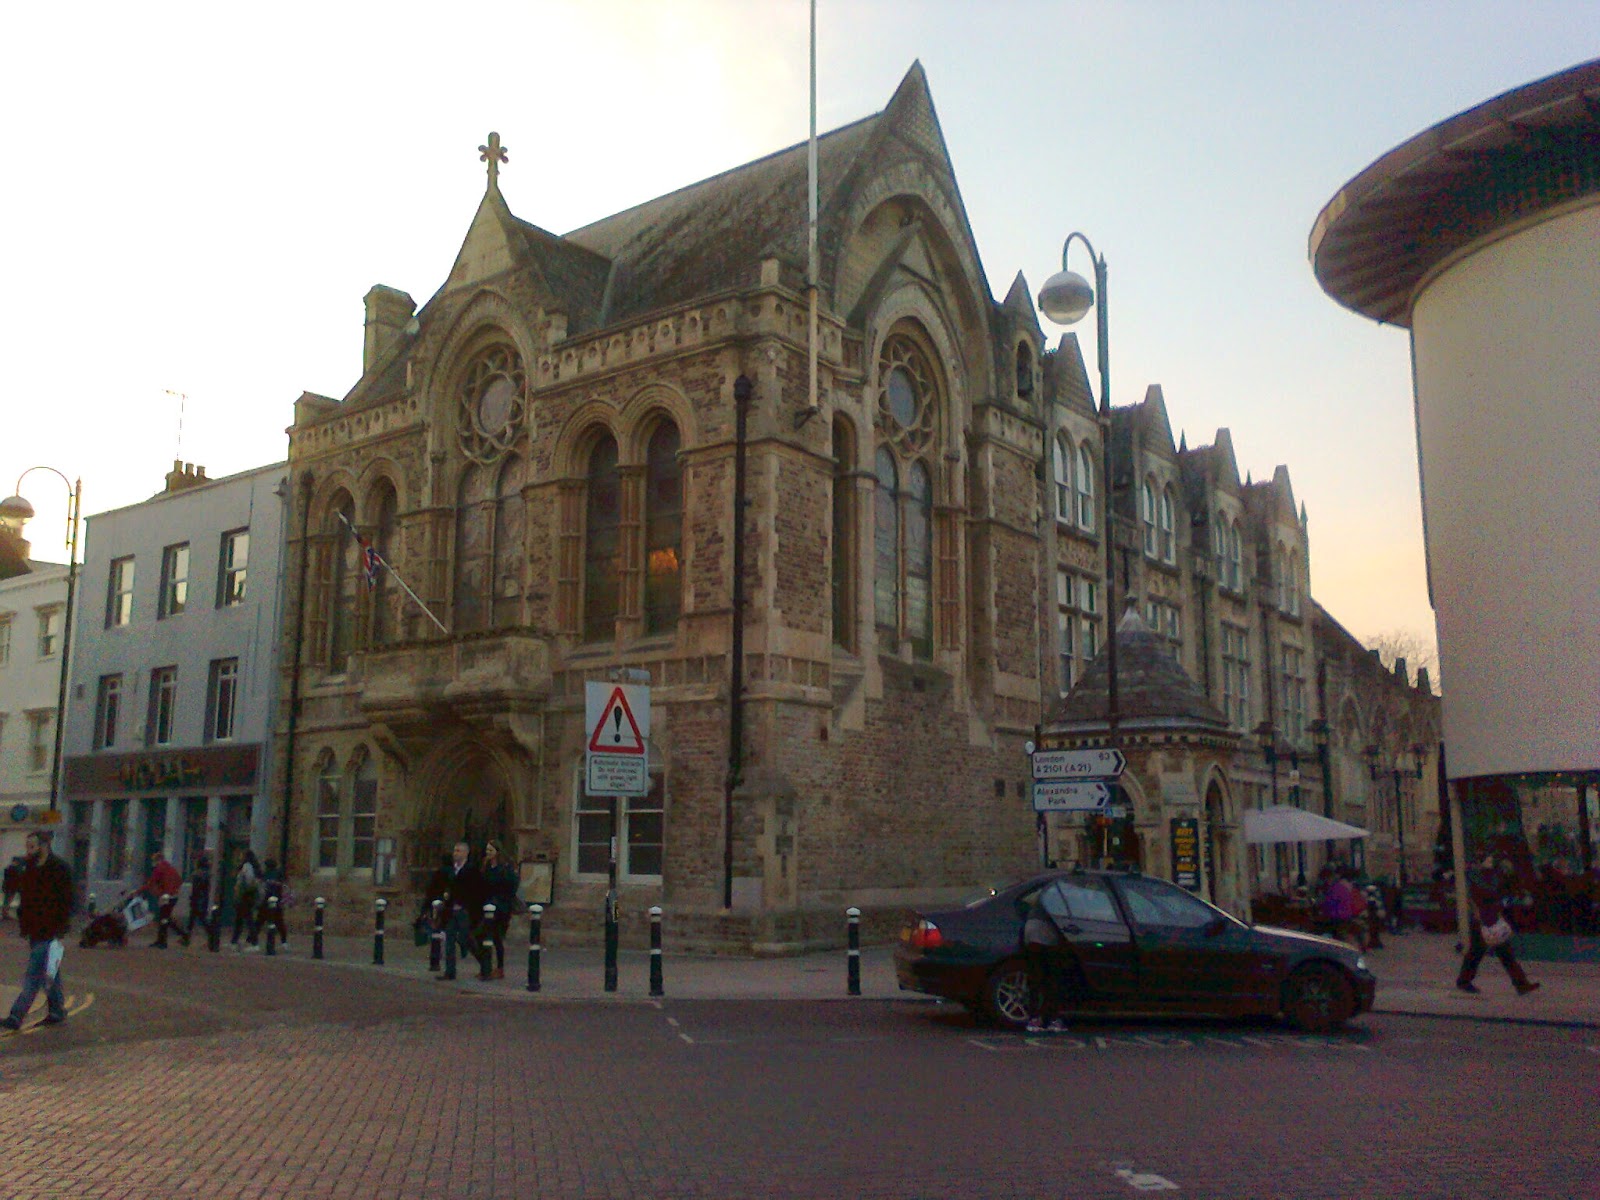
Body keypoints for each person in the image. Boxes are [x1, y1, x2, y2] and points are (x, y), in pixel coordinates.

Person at [2, 830, 74, 1031]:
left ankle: (16, 1015)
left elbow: (67, 900)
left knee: (34, 974)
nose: (28, 850)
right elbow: (18, 891)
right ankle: (57, 1010)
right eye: (27, 847)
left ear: (44, 846)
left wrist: (60, 927)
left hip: (49, 929)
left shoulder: (59, 868)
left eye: (32, 846)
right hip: (33, 927)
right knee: (50, 972)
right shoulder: (30, 868)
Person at [1457, 856, 1540, 996]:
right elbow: (1484, 897)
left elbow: (1497, 894)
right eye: (1487, 861)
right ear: (1480, 862)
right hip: (1482, 920)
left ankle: (1521, 984)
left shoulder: (1493, 876)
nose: (1490, 863)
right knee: (1478, 952)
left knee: (1503, 953)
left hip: (1492, 918)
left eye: (1491, 861)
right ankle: (1464, 981)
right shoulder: (1476, 877)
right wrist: (1501, 903)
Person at [438, 840, 488, 982]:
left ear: (466, 853)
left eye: (458, 851)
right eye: (455, 851)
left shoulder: (471, 870)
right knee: (449, 940)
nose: (455, 854)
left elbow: (476, 891)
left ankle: (485, 965)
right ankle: (450, 971)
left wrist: (468, 906)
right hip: (451, 910)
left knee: (466, 939)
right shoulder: (452, 870)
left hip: (464, 910)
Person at [1021, 889, 1070, 1034]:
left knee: (1036, 979)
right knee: (1052, 980)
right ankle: (1052, 1018)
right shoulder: (1060, 896)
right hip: (1047, 937)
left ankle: (1035, 1018)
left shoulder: (1041, 897)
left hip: (1031, 935)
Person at [479, 841, 519, 981]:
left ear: (497, 851)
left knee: (497, 938)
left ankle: (500, 968)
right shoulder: (486, 867)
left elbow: (512, 886)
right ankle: (486, 967)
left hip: (501, 908)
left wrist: (502, 901)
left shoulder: (505, 868)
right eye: (487, 850)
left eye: (490, 850)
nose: (488, 853)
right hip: (488, 907)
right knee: (483, 936)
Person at [143, 850, 189, 947]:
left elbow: (151, 883)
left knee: (163, 918)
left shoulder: (158, 869)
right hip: (173, 897)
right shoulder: (171, 868)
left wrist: (139, 891)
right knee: (165, 918)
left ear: (157, 860)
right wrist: (174, 890)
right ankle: (183, 935)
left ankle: (162, 941)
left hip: (165, 897)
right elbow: (179, 880)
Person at [256, 857, 289, 950]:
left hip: (267, 901)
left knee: (259, 921)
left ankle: (253, 941)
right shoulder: (279, 874)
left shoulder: (266, 874)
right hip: (277, 901)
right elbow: (284, 885)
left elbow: (262, 887)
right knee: (279, 922)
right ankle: (284, 942)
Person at [231, 849, 261, 949]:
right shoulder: (253, 866)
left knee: (248, 919)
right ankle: (234, 941)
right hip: (248, 896)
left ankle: (254, 942)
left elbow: (249, 881)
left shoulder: (247, 866)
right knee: (240, 919)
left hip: (245, 896)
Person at [186, 850, 213, 938]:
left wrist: (193, 897)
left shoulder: (198, 874)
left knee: (198, 917)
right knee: (195, 917)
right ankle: (186, 936)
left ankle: (210, 933)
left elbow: (196, 887)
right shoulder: (207, 874)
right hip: (203, 897)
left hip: (197, 898)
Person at [2, 854, 24, 920]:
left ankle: (5, 914)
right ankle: (5, 914)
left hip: (10, 887)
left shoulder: (9, 868)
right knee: (7, 901)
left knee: (7, 901)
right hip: (11, 887)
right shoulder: (15, 869)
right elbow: (16, 879)